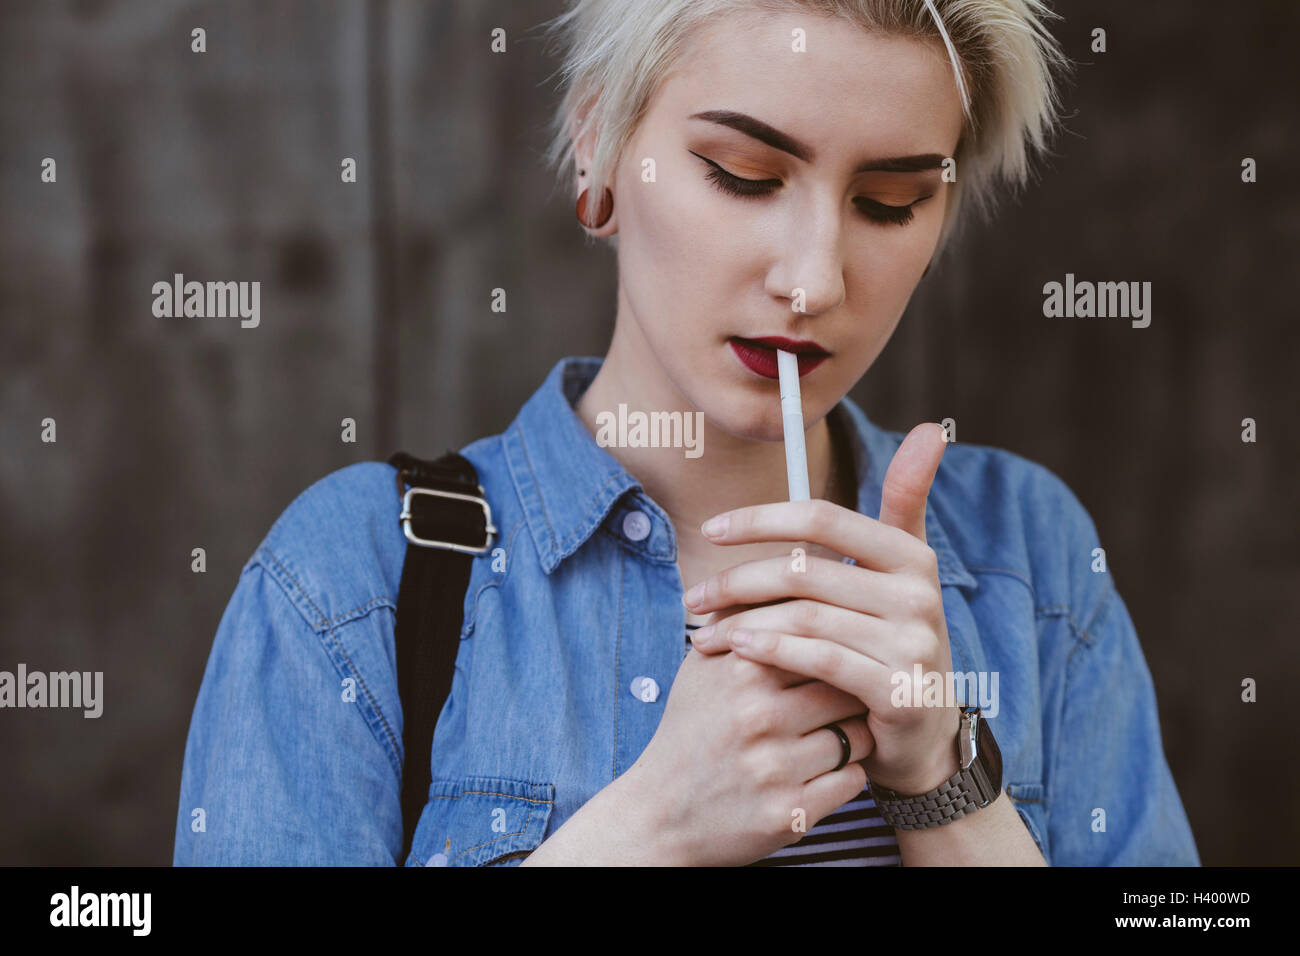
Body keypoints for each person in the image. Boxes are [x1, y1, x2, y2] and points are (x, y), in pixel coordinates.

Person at [173, 0, 1199, 866]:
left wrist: (946, 783)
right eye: (744, 175)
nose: (812, 280)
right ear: (598, 146)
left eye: (888, 203)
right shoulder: (351, 582)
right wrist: (644, 830)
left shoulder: (1034, 557)